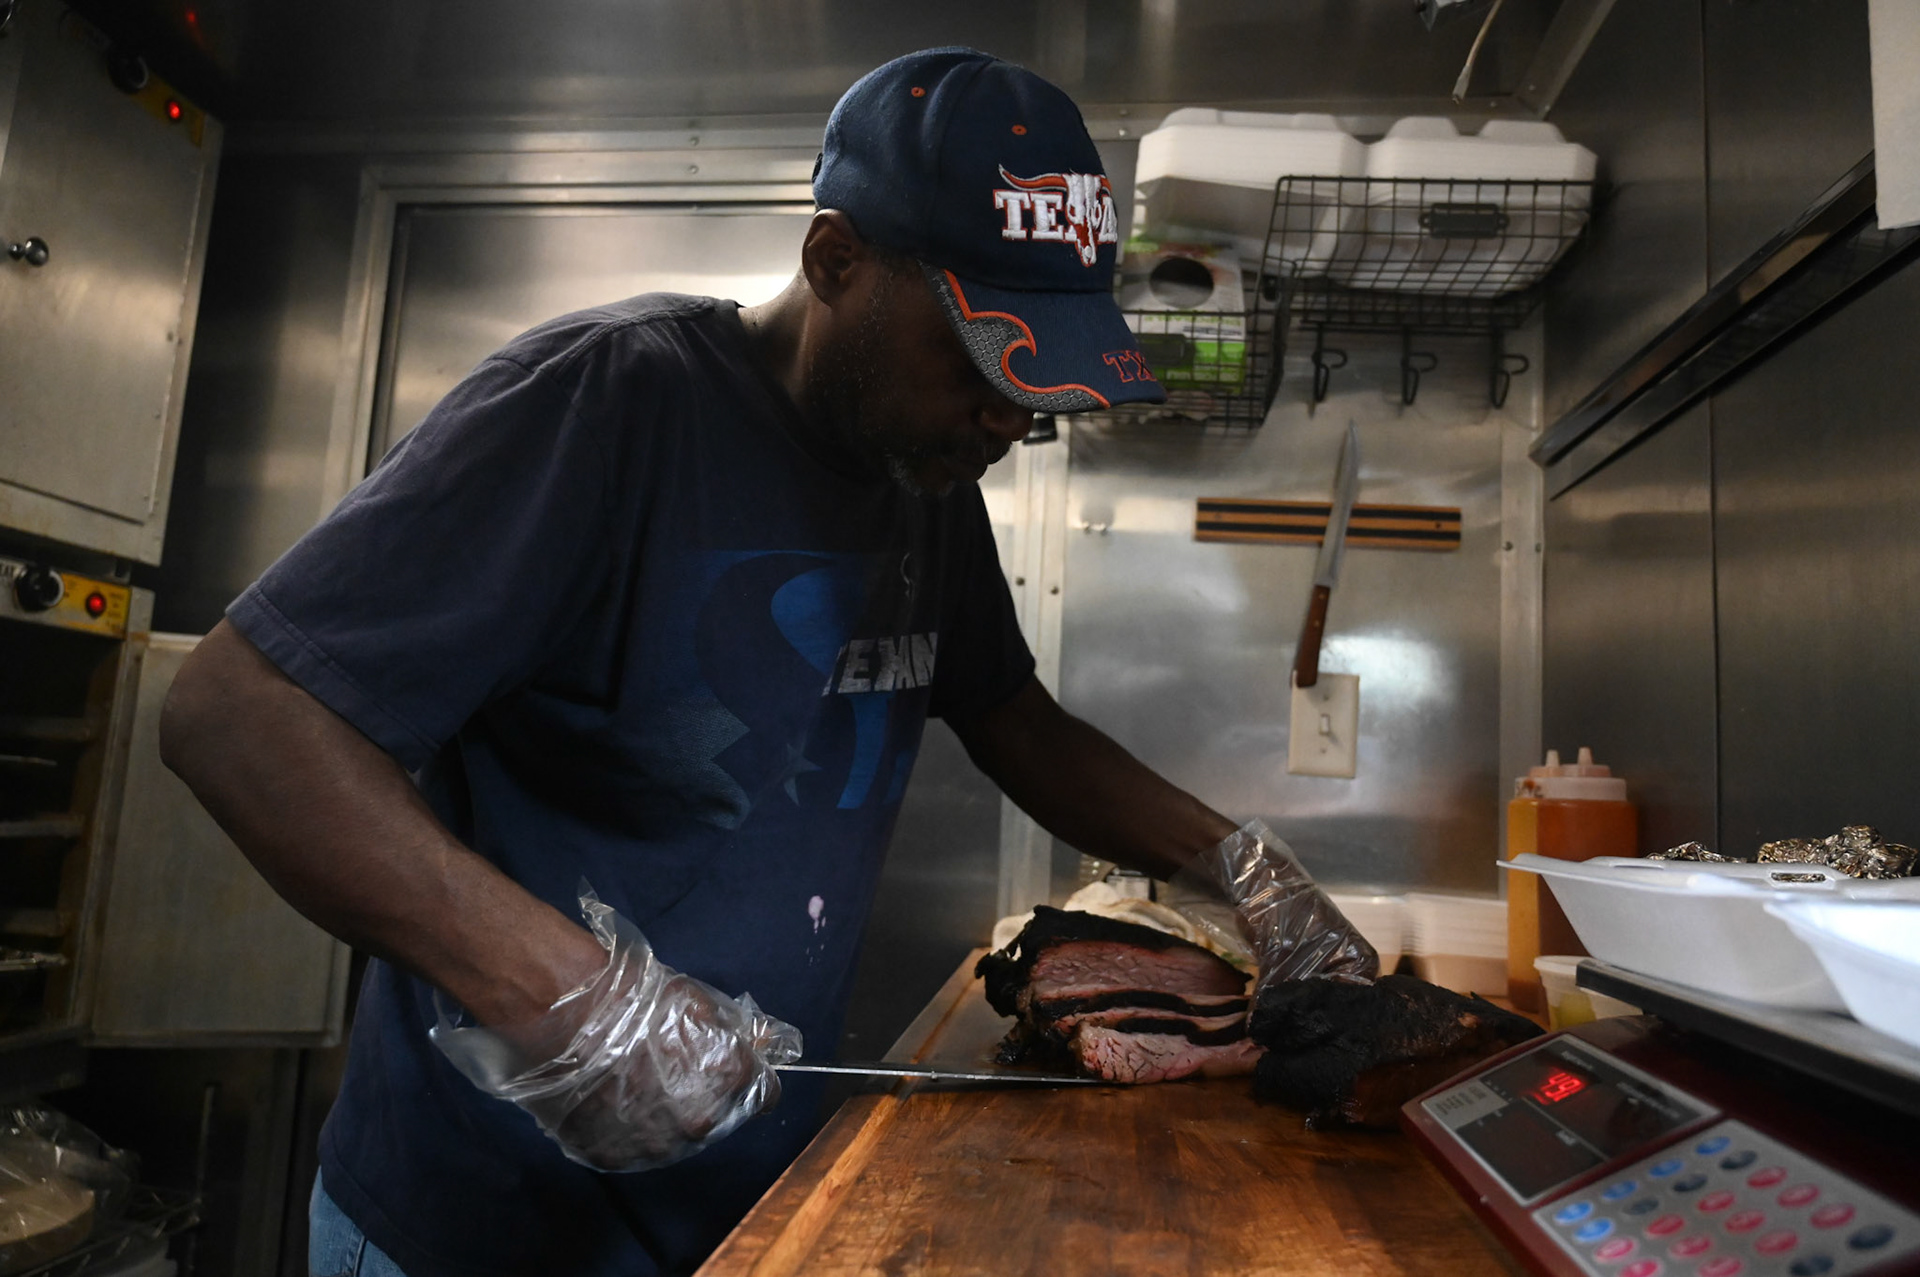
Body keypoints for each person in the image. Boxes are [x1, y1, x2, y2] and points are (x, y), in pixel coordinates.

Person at [161, 47, 1255, 1277]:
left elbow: (1011, 716)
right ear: (836, 260)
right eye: (982, 358)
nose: (1012, 415)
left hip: (740, 1209)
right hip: (480, 1221)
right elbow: (236, 713)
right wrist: (577, 1001)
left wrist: (1247, 869)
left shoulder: (926, 473)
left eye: (1036, 383)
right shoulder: (604, 403)